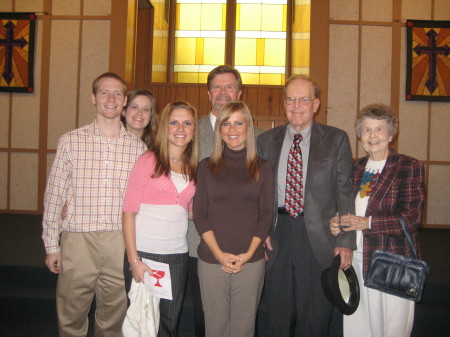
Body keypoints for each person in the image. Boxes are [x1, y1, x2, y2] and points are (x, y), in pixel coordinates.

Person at [42, 72, 147, 337]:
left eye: (118, 94)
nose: (111, 99)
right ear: (93, 98)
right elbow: (54, 195)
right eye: (104, 92)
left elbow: (143, 203)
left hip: (119, 241)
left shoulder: (139, 149)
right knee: (71, 316)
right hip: (78, 239)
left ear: (125, 101)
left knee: (114, 318)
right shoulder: (70, 142)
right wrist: (52, 245)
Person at [257, 74, 356, 337]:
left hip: (319, 235)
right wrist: (260, 232)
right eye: (290, 99)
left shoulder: (336, 139)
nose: (296, 105)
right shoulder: (266, 141)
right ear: (284, 103)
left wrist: (346, 240)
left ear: (316, 104)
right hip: (276, 234)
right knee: (278, 313)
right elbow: (258, 193)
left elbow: (345, 192)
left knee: (315, 315)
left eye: (304, 99)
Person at [329, 103, 425, 337]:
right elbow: (347, 204)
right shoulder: (357, 167)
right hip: (357, 257)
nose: (373, 136)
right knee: (358, 325)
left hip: (390, 260)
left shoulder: (408, 166)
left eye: (379, 129)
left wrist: (367, 223)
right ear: (360, 135)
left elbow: (412, 217)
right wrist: (336, 221)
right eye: (367, 130)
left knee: (390, 327)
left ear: (391, 134)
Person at [186, 65, 263, 337]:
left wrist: (264, 236)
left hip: (245, 242)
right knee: (206, 318)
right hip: (198, 240)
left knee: (243, 320)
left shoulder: (256, 138)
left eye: (229, 86)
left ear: (239, 92)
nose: (223, 92)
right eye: (217, 87)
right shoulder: (188, 131)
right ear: (208, 94)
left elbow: (263, 198)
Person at [193, 101, 274, 337]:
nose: (232, 129)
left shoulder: (263, 167)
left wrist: (248, 254)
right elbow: (199, 214)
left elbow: (266, 214)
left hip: (250, 260)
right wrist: (218, 254)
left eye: (239, 123)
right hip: (211, 259)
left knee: (244, 325)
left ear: (249, 127)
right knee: (215, 325)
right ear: (219, 129)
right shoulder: (206, 167)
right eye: (226, 123)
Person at [122, 101, 199, 337]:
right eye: (174, 122)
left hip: (177, 255)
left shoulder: (192, 166)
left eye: (187, 123)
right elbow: (128, 212)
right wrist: (134, 260)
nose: (180, 128)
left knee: (169, 323)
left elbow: (190, 211)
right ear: (165, 126)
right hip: (146, 254)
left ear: (194, 129)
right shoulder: (148, 160)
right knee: (143, 323)